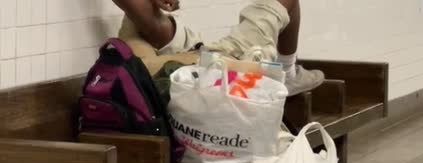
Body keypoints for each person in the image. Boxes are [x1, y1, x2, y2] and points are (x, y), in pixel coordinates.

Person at [112, 0, 324, 96]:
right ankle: (288, 72)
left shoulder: (145, 41)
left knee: (144, 25)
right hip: (213, 62)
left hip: (186, 57)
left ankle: (288, 71)